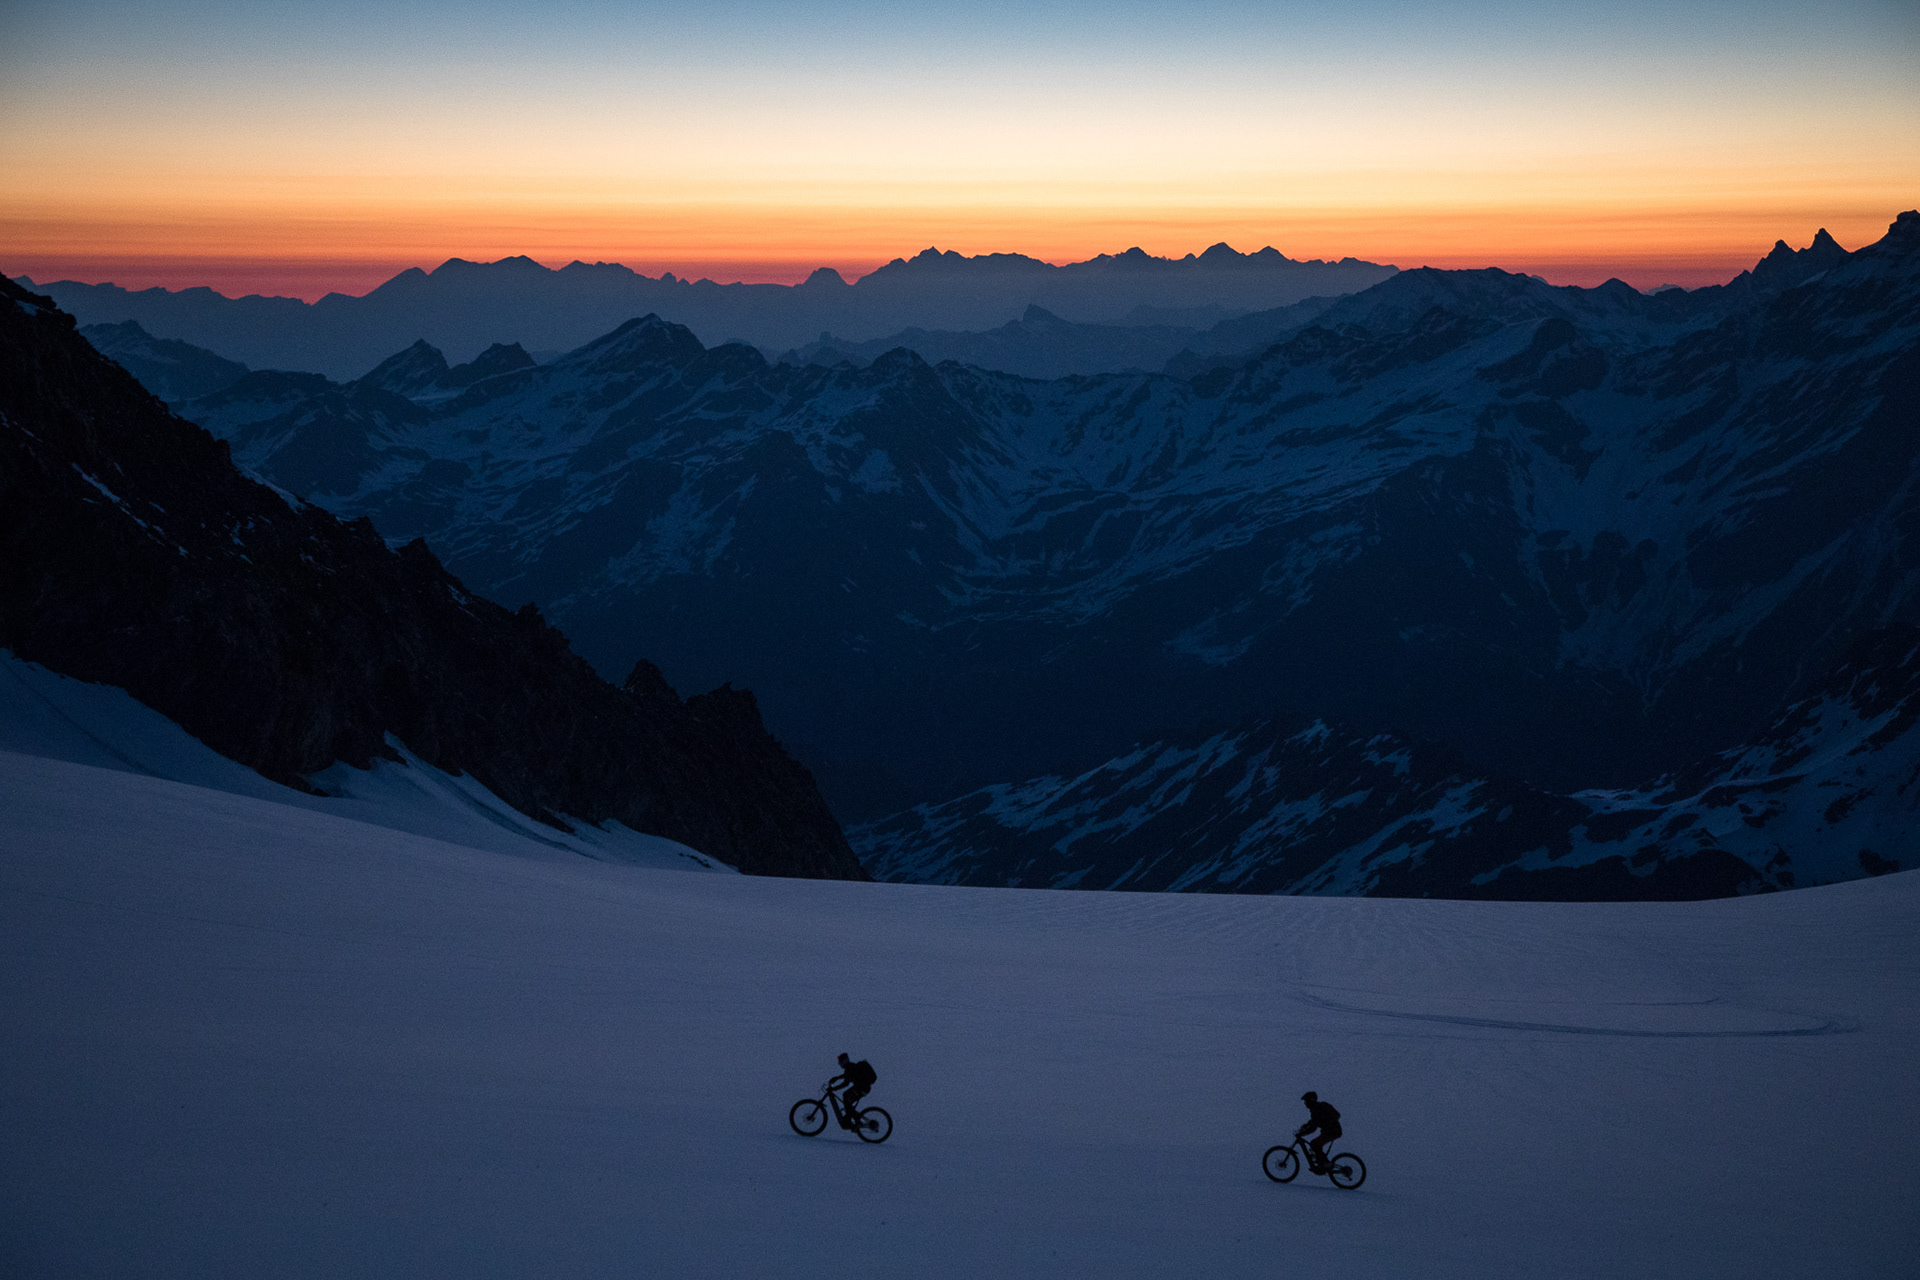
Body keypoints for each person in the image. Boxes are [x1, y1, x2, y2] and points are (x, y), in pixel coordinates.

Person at [1295, 1091, 1342, 1170]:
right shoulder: (1316, 1109)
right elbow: (1313, 1122)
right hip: (1330, 1131)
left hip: (1332, 1132)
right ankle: (1322, 1163)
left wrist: (1302, 1134)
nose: (1305, 1103)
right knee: (1315, 1145)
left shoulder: (1317, 1109)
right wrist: (1306, 1126)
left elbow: (1313, 1127)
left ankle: (1325, 1164)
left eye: (1306, 1101)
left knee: (1314, 1144)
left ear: (1311, 1100)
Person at [829, 1052, 877, 1127]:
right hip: (862, 1088)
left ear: (845, 1061)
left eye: (840, 1061)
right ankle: (852, 1119)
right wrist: (835, 1085)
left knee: (846, 1097)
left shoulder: (850, 1067)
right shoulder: (850, 1068)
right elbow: (846, 1081)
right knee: (847, 1103)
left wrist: (835, 1084)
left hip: (862, 1089)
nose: (839, 1063)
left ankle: (854, 1121)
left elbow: (846, 1080)